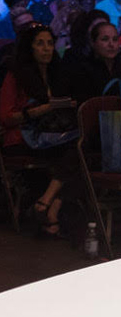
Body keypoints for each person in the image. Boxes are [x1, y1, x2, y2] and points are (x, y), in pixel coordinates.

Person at [0, 24, 77, 238]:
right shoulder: (15, 75)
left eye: (50, 44)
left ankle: (47, 205)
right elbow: (5, 117)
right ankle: (48, 206)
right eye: (40, 44)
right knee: (75, 150)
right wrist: (40, 110)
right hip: (21, 136)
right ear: (30, 48)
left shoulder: (56, 73)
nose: (46, 49)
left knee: (80, 149)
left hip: (51, 134)